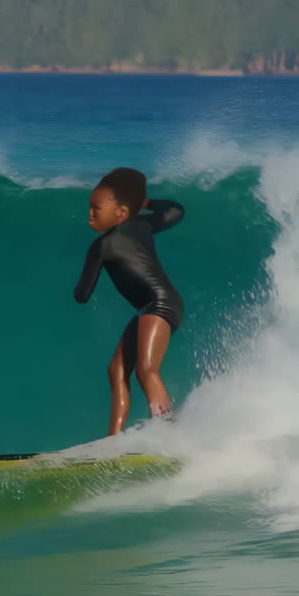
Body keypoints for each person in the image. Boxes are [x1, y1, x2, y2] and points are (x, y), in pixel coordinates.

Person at [73, 167, 185, 436]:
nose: (90, 214)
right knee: (117, 371)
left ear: (121, 212)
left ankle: (167, 430)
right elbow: (175, 210)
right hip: (154, 306)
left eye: (96, 208)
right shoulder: (143, 225)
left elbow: (82, 295)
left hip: (158, 304)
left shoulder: (101, 246)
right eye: (90, 207)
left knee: (146, 370)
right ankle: (113, 440)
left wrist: (87, 272)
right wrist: (145, 203)